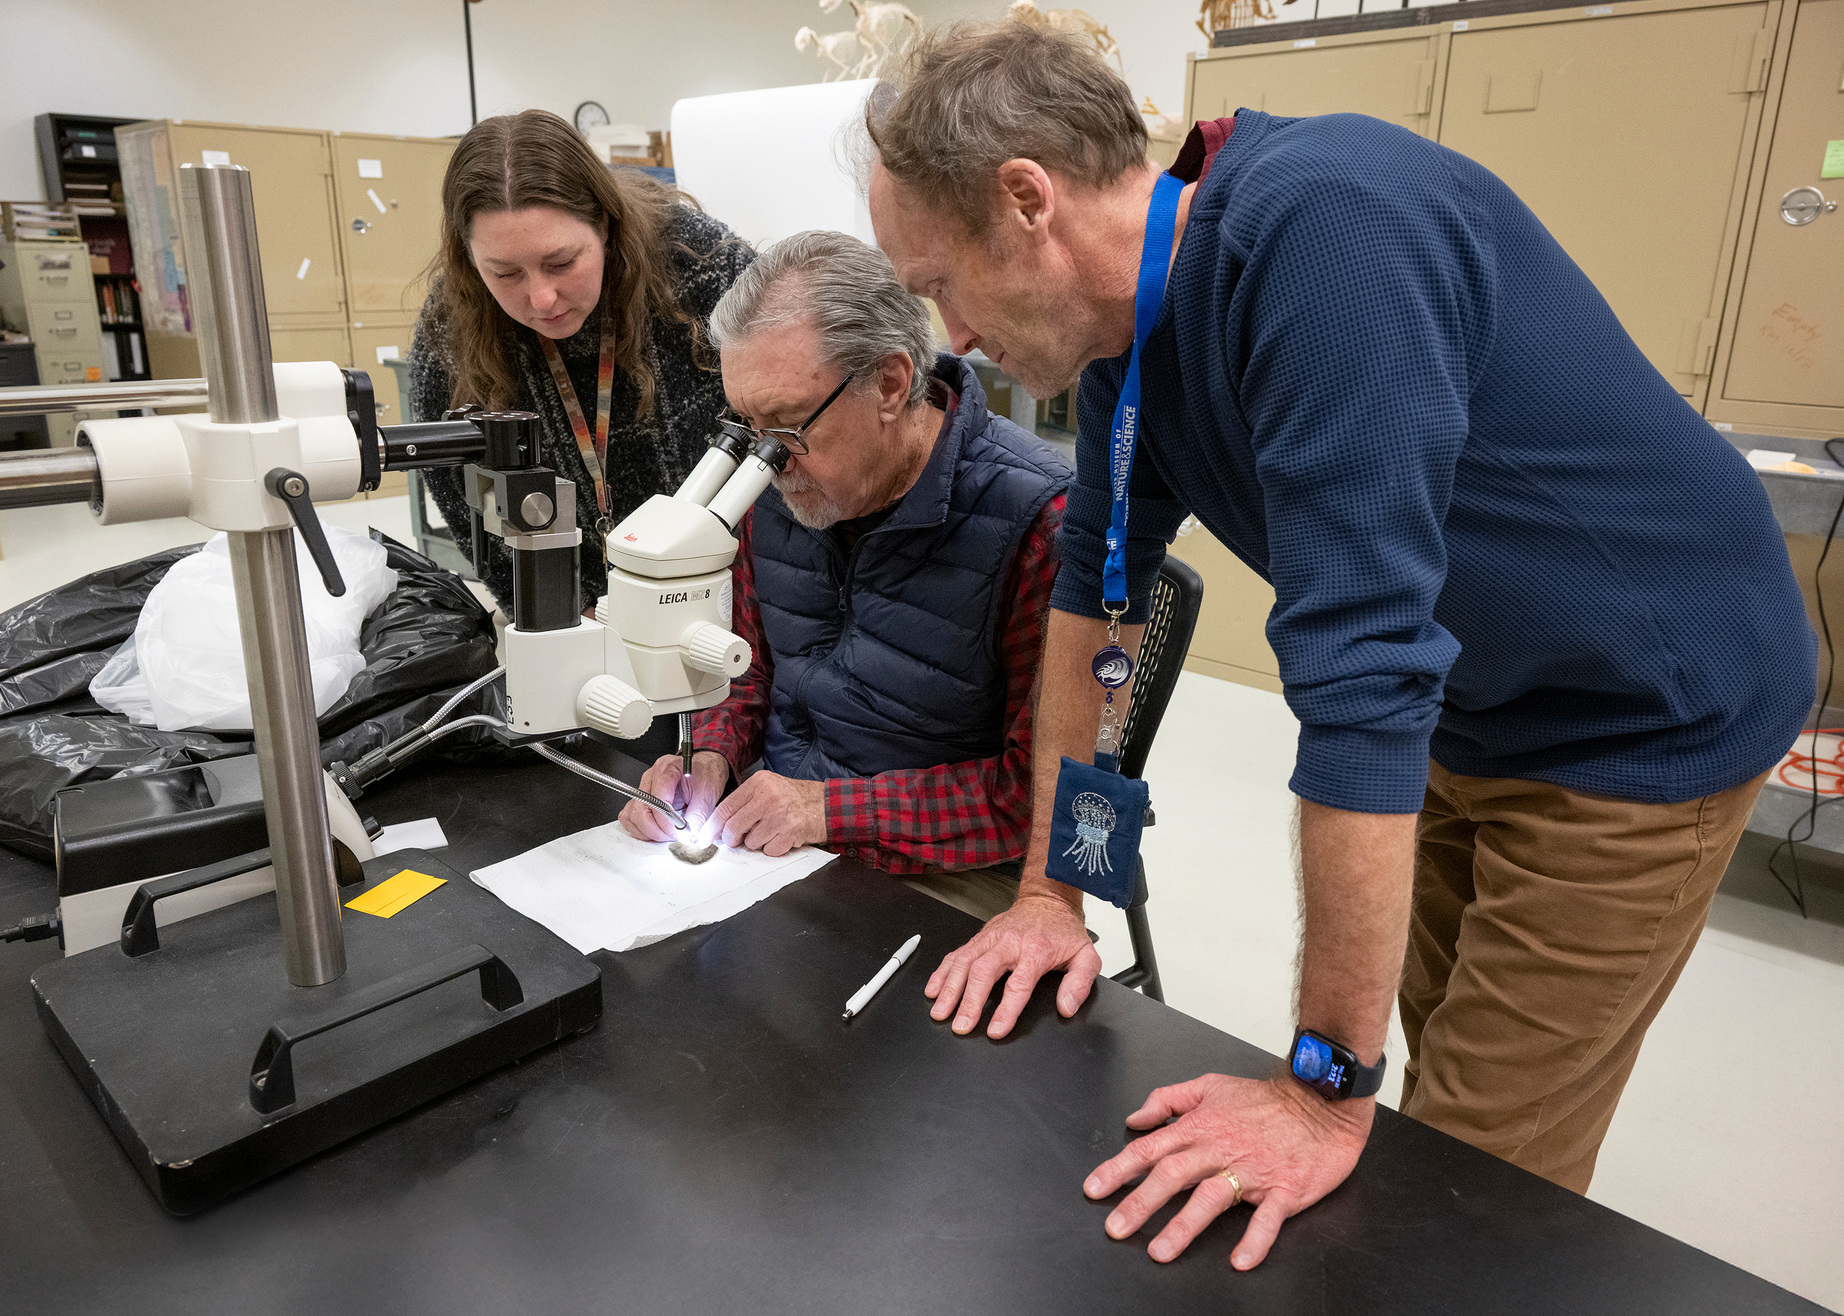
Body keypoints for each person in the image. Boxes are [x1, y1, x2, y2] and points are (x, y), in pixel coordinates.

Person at [863, 22, 1815, 1271]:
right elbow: (1095, 616)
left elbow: (1360, 684)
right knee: (1426, 1048)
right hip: (1478, 693)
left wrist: (1318, 1082)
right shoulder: (1126, 353)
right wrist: (1053, 892)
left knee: (1471, 1174)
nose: (953, 337)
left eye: (938, 282)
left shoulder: (1329, 232)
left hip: (1644, 711)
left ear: (1025, 199)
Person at [616, 230, 1071, 902]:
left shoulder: (1041, 522)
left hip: (947, 862)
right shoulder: (774, 484)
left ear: (889, 384)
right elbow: (748, 675)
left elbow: (1037, 796)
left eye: (788, 423)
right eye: (747, 425)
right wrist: (708, 755)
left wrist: (826, 810)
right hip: (777, 834)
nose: (767, 462)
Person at [410, 109, 754, 613]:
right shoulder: (454, 315)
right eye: (505, 273)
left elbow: (782, 431)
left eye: (562, 262)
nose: (542, 297)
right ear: (470, 259)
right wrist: (551, 609)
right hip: (581, 608)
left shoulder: (697, 261)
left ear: (606, 225)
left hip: (727, 586)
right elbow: (459, 494)